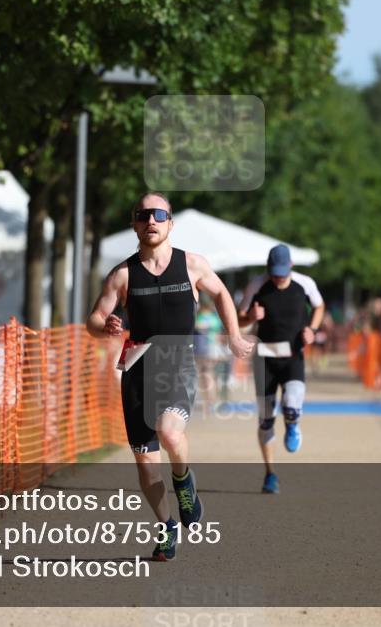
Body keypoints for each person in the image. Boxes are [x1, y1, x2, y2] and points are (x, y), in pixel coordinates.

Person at [86, 192, 254, 561]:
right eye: (143, 215)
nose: (151, 220)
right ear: (134, 223)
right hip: (137, 366)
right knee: (146, 462)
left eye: (158, 214)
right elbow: (94, 321)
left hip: (177, 361)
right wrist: (106, 325)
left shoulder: (192, 265)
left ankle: (184, 481)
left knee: (168, 431)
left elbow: (222, 293)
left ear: (170, 224)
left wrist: (235, 335)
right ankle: (166, 528)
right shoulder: (122, 275)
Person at [237, 245, 324, 494]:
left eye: (282, 274)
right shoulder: (257, 285)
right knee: (265, 420)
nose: (278, 278)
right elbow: (238, 318)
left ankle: (293, 423)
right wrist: (251, 316)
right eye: (274, 274)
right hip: (264, 359)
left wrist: (312, 330)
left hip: (292, 356)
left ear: (291, 266)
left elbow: (319, 306)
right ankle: (270, 473)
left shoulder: (304, 284)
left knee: (292, 403)